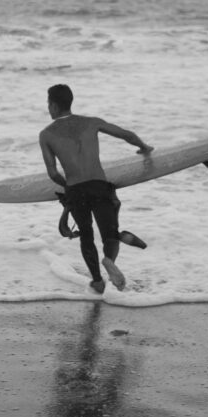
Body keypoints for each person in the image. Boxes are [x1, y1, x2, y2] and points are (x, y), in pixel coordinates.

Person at [39, 84, 153, 294]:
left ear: (53, 105)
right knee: (109, 234)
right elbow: (126, 134)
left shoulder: (46, 134)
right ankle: (109, 260)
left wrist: (68, 186)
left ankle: (98, 281)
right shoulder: (92, 122)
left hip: (75, 190)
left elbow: (53, 173)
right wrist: (143, 147)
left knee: (86, 236)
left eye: (48, 104)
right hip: (99, 186)